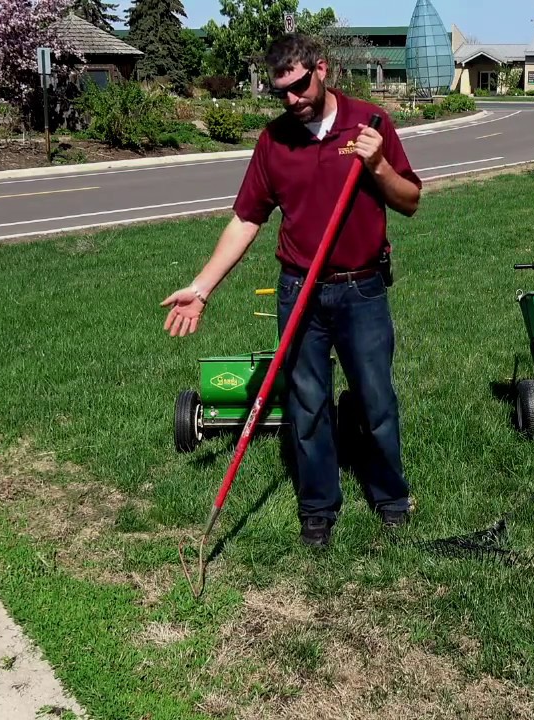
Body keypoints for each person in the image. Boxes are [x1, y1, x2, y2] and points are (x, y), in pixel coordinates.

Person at [160, 34, 422, 548]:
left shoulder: (369, 123)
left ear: (321, 70)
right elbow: (246, 218)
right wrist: (202, 287)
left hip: (361, 289)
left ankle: (391, 497)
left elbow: (410, 200)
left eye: (299, 86)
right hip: (300, 288)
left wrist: (378, 166)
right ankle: (318, 508)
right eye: (280, 91)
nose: (292, 99)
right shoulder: (274, 140)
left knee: (375, 400)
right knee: (307, 403)